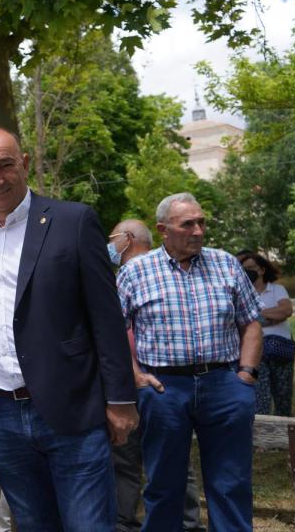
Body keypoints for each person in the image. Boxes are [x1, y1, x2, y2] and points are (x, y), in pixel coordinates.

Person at [0, 128, 137, 530]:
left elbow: (106, 317)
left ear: (26, 164)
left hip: (72, 407)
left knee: (89, 525)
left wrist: (120, 398)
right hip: (0, 414)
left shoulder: (73, 221)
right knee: (33, 524)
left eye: (6, 165)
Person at [117, 192, 262, 531]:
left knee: (231, 482)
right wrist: (136, 376)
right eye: (188, 224)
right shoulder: (136, 272)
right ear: (163, 229)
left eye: (201, 222)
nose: (198, 230)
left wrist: (246, 374)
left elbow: (251, 321)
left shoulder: (225, 263)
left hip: (224, 384)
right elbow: (115, 330)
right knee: (164, 485)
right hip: (165, 389)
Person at [107, 220, 204, 532]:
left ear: (128, 238)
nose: (110, 246)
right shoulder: (130, 275)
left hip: (155, 382)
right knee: (142, 454)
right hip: (139, 380)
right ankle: (179, 521)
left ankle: (167, 522)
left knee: (149, 456)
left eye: (113, 238)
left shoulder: (146, 272)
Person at [239, 252, 295, 416]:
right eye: (244, 269)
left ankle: (286, 433)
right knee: (261, 397)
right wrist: (272, 317)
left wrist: (257, 316)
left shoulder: (277, 289)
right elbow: (242, 319)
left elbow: (286, 310)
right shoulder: (243, 294)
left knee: (283, 396)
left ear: (262, 270)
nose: (247, 272)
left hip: (281, 349)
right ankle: (264, 436)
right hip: (256, 352)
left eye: (251, 268)